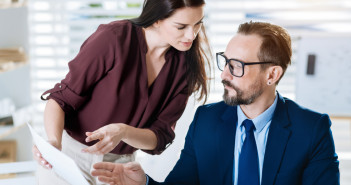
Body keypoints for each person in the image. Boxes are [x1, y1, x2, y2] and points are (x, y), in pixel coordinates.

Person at [90, 21, 340, 185]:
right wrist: (144, 183)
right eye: (226, 61)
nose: (224, 75)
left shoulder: (311, 129)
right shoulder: (206, 120)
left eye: (237, 66)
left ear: (272, 75)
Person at [32, 0, 212, 184]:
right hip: (71, 156)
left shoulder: (185, 68)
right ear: (157, 19)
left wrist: (124, 131)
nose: (192, 34)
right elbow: (61, 99)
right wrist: (54, 142)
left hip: (119, 168)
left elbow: (160, 137)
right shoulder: (114, 38)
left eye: (198, 23)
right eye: (181, 26)